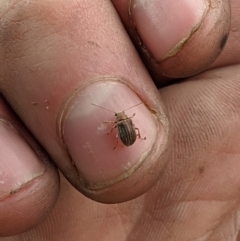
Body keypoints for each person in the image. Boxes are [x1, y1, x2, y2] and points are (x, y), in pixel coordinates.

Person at [0, 0, 239, 240]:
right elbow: (126, 130)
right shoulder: (125, 123)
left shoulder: (121, 124)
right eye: (120, 115)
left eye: (120, 114)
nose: (120, 115)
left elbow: (123, 132)